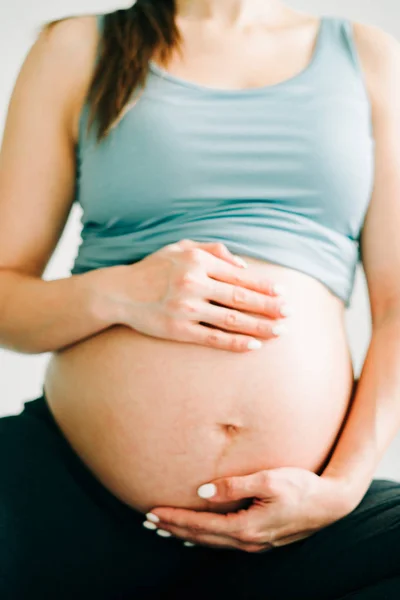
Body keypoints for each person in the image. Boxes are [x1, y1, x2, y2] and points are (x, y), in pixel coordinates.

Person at [1, 0, 400, 597]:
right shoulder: (79, 45)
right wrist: (120, 295)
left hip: (304, 521)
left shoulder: (368, 55)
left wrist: (339, 491)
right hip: (67, 491)